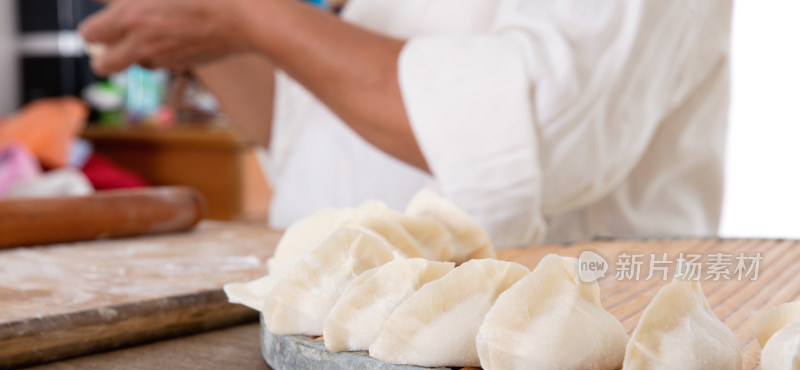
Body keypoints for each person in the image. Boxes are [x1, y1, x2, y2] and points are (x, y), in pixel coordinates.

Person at [80, 0, 732, 248]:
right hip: (336, 347)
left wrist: (249, 16)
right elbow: (305, 131)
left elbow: (533, 132)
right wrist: (201, 22)